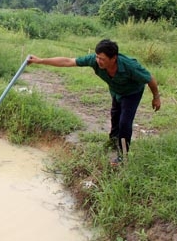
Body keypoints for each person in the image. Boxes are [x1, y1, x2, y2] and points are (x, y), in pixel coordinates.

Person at [27, 39, 161, 165]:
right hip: (116, 90)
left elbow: (150, 79)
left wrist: (156, 97)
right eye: (97, 57)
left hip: (132, 92)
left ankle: (123, 156)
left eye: (102, 59)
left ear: (113, 58)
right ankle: (113, 141)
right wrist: (40, 60)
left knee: (124, 122)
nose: (98, 61)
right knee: (115, 115)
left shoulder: (130, 66)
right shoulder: (94, 60)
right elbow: (68, 61)